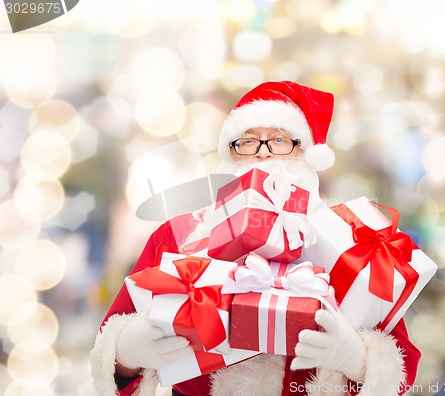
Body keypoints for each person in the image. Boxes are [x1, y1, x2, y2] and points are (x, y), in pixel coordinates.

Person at [90, 81, 421, 396]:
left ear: (307, 154)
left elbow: (401, 367)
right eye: (248, 141)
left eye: (280, 140)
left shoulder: (351, 244)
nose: (263, 154)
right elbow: (112, 348)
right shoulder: (181, 235)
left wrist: (356, 359)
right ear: (231, 154)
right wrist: (127, 353)